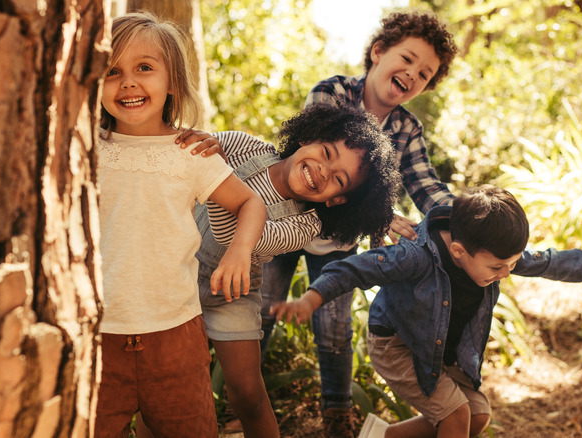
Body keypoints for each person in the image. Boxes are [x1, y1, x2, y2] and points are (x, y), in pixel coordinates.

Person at [271, 185, 582, 438]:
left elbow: (553, 262)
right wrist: (311, 298)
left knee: (477, 417)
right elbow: (355, 268)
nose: (506, 274)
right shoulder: (415, 257)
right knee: (456, 416)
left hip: (440, 351)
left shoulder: (493, 252)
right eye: (497, 268)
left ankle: (379, 437)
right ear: (459, 252)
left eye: (510, 264)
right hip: (397, 346)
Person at [256, 10, 459, 435]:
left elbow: (425, 185)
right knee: (262, 312)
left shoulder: (406, 128)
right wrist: (381, 215)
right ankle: (246, 399)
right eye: (407, 59)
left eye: (424, 74)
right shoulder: (331, 93)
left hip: (337, 242)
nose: (412, 74)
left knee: (335, 329)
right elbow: (313, 168)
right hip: (283, 222)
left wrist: (463, 217)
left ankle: (337, 416)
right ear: (378, 51)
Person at [94, 12, 267, 438]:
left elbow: (250, 201)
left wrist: (239, 250)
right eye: (113, 71)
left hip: (175, 338)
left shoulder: (190, 152)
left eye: (145, 68)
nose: (128, 82)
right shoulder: (82, 145)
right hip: (97, 338)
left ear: (172, 81)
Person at [194, 100, 400, 438]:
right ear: (309, 136)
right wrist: (204, 148)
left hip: (232, 295)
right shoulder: (248, 147)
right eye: (327, 153)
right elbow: (199, 149)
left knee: (247, 392)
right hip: (178, 275)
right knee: (173, 379)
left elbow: (237, 235)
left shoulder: (304, 226)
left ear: (337, 200)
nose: (323, 170)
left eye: (338, 179)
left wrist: (214, 177)